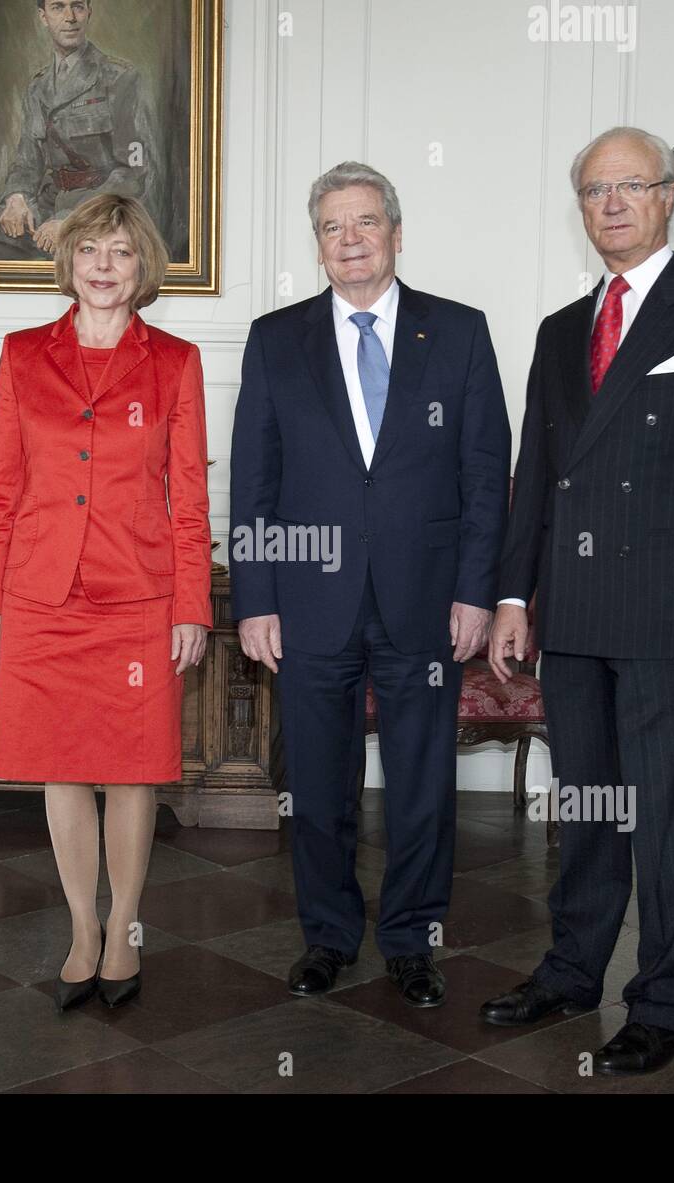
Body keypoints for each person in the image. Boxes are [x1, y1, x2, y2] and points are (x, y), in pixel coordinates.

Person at [481, 127, 674, 1074]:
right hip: (570, 612)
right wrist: (509, 595)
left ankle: (668, 996)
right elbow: (538, 474)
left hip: (671, 614)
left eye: (631, 186)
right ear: (581, 210)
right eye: (593, 191)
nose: (612, 204)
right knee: (591, 807)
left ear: (666, 200)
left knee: (667, 816)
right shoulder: (561, 329)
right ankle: (572, 969)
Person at [230, 163, 509, 1008]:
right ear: (316, 243)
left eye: (364, 223)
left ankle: (414, 939)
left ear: (395, 231)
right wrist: (256, 600)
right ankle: (327, 935)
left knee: (424, 784)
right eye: (330, 227)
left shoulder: (458, 331)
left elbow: (484, 473)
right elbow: (254, 482)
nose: (348, 240)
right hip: (308, 603)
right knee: (318, 786)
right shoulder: (276, 338)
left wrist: (475, 590)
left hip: (425, 600)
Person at [0, 193, 211, 1012]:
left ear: (142, 266)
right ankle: (83, 928)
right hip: (41, 594)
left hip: (138, 598)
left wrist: (192, 607)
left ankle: (125, 928)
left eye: (119, 252)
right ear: (68, 261)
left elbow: (189, 499)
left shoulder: (177, 362)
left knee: (132, 771)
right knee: (61, 768)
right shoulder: (22, 353)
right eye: (89, 251)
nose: (104, 266)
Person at [0, 0, 152, 262]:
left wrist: (71, 218)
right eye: (58, 7)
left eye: (77, 6)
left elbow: (133, 172)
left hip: (99, 211)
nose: (69, 18)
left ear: (89, 12)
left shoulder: (119, 78)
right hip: (45, 208)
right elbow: (27, 163)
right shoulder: (38, 88)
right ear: (43, 17)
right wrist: (17, 198)